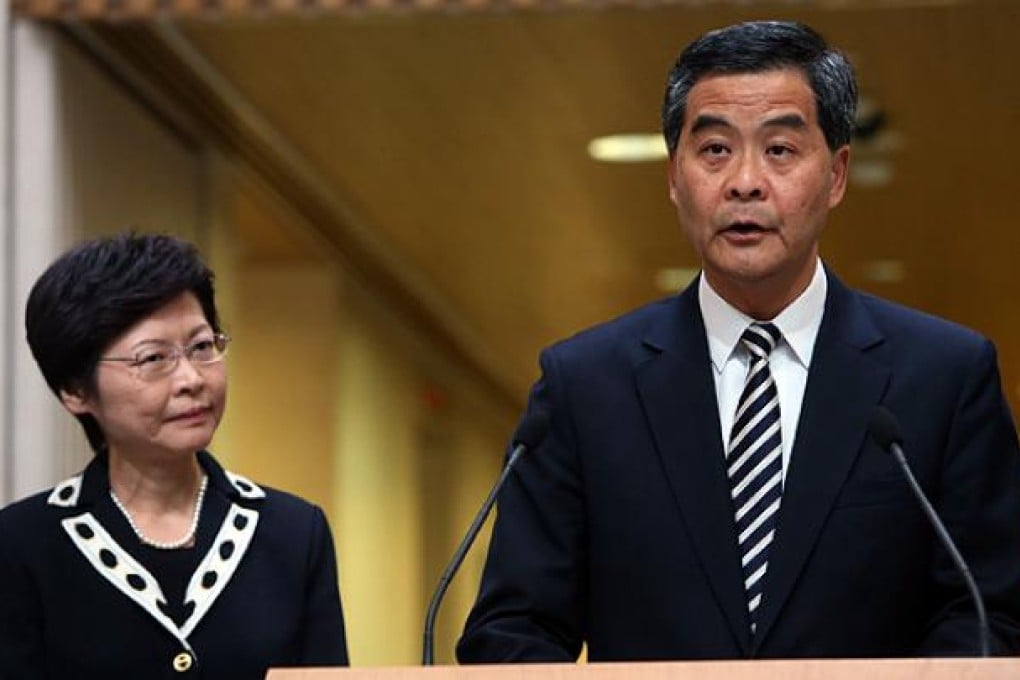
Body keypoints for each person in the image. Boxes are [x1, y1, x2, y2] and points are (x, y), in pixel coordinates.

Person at [457, 20, 1020, 661]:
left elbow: (991, 615)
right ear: (675, 177)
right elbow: (513, 631)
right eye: (715, 150)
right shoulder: (584, 387)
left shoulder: (944, 378)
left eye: (779, 149)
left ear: (836, 175)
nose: (745, 181)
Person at [0, 233, 350, 678]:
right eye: (153, 359)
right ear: (76, 390)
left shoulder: (292, 533)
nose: (191, 379)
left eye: (202, 347)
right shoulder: (23, 543)